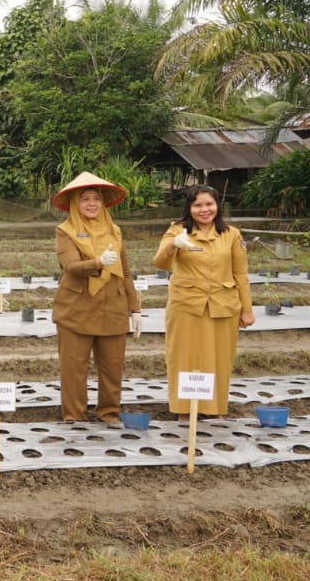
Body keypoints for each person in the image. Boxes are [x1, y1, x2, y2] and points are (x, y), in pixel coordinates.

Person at [153, 184, 255, 419]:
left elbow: (241, 274)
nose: (204, 209)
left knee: (218, 359)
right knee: (184, 358)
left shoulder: (231, 234)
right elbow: (160, 263)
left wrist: (246, 310)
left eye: (209, 204)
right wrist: (172, 245)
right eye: (197, 205)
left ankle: (214, 409)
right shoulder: (177, 230)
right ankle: (185, 411)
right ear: (189, 208)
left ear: (218, 206)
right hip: (186, 306)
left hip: (223, 306)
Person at [51, 172, 142, 423]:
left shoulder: (115, 231)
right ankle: (74, 416)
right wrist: (98, 262)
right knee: (74, 368)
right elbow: (70, 267)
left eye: (96, 199)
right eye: (85, 199)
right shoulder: (65, 231)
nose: (91, 204)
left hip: (113, 306)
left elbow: (125, 272)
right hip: (76, 309)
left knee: (113, 367)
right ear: (74, 204)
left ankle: (109, 413)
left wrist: (135, 308)